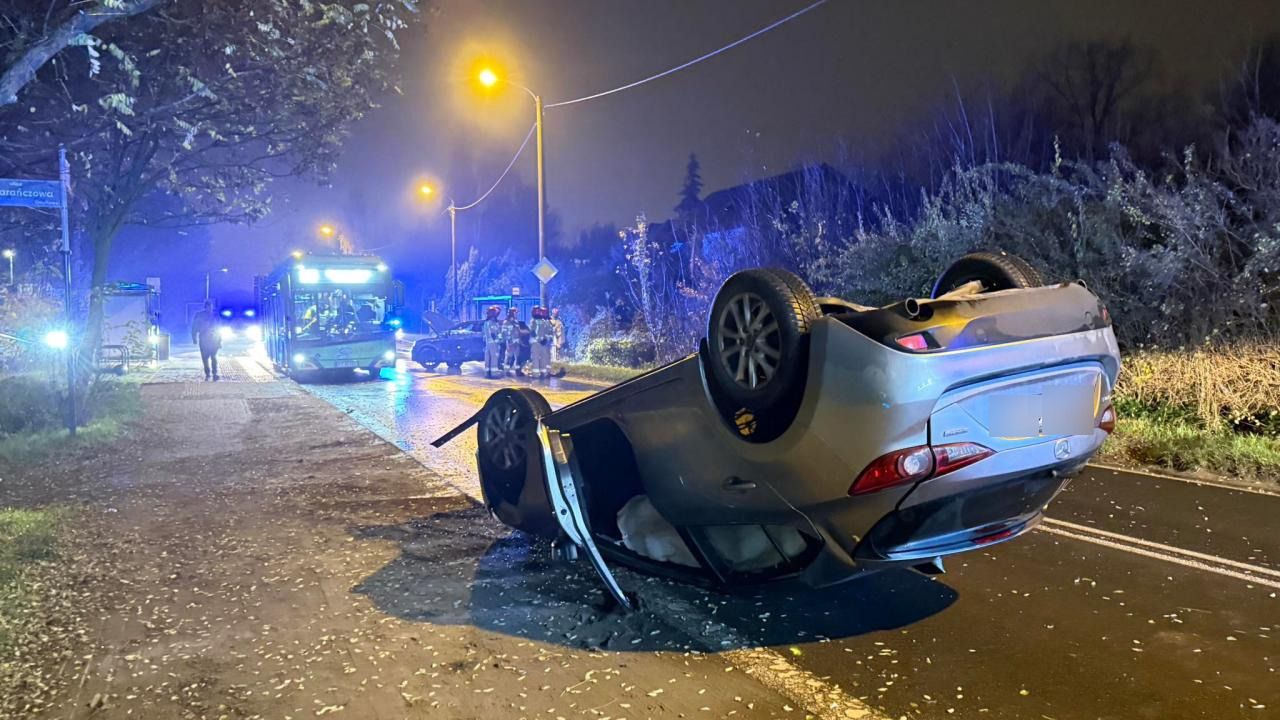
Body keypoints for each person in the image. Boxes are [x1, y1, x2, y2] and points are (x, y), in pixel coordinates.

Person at [190, 300, 222, 381]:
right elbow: (194, 327)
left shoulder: (215, 315)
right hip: (204, 339)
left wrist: (220, 340)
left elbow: (219, 328)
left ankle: (214, 373)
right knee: (205, 358)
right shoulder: (199, 315)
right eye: (208, 307)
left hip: (214, 339)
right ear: (205, 307)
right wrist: (194, 338)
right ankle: (207, 373)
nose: (210, 308)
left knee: (213, 356)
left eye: (211, 307)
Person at [531, 306, 553, 378]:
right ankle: (539, 373)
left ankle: (540, 373)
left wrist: (545, 339)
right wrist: (542, 339)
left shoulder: (543, 321)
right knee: (540, 358)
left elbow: (548, 332)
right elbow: (533, 332)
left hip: (541, 343)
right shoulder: (536, 321)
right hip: (538, 343)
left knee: (541, 358)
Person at [482, 305, 503, 378]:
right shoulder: (491, 323)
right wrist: (498, 339)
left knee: (488, 357)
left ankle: (488, 373)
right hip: (493, 343)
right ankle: (494, 374)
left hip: (489, 343)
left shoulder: (488, 322)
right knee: (494, 357)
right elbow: (492, 333)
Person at [501, 307, 521, 377]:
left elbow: (518, 331)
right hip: (510, 343)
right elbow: (503, 332)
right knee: (509, 357)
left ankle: (517, 371)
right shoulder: (506, 322)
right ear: (512, 313)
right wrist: (509, 340)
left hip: (517, 342)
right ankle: (507, 371)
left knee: (517, 357)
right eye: (515, 313)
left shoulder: (516, 321)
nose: (516, 314)